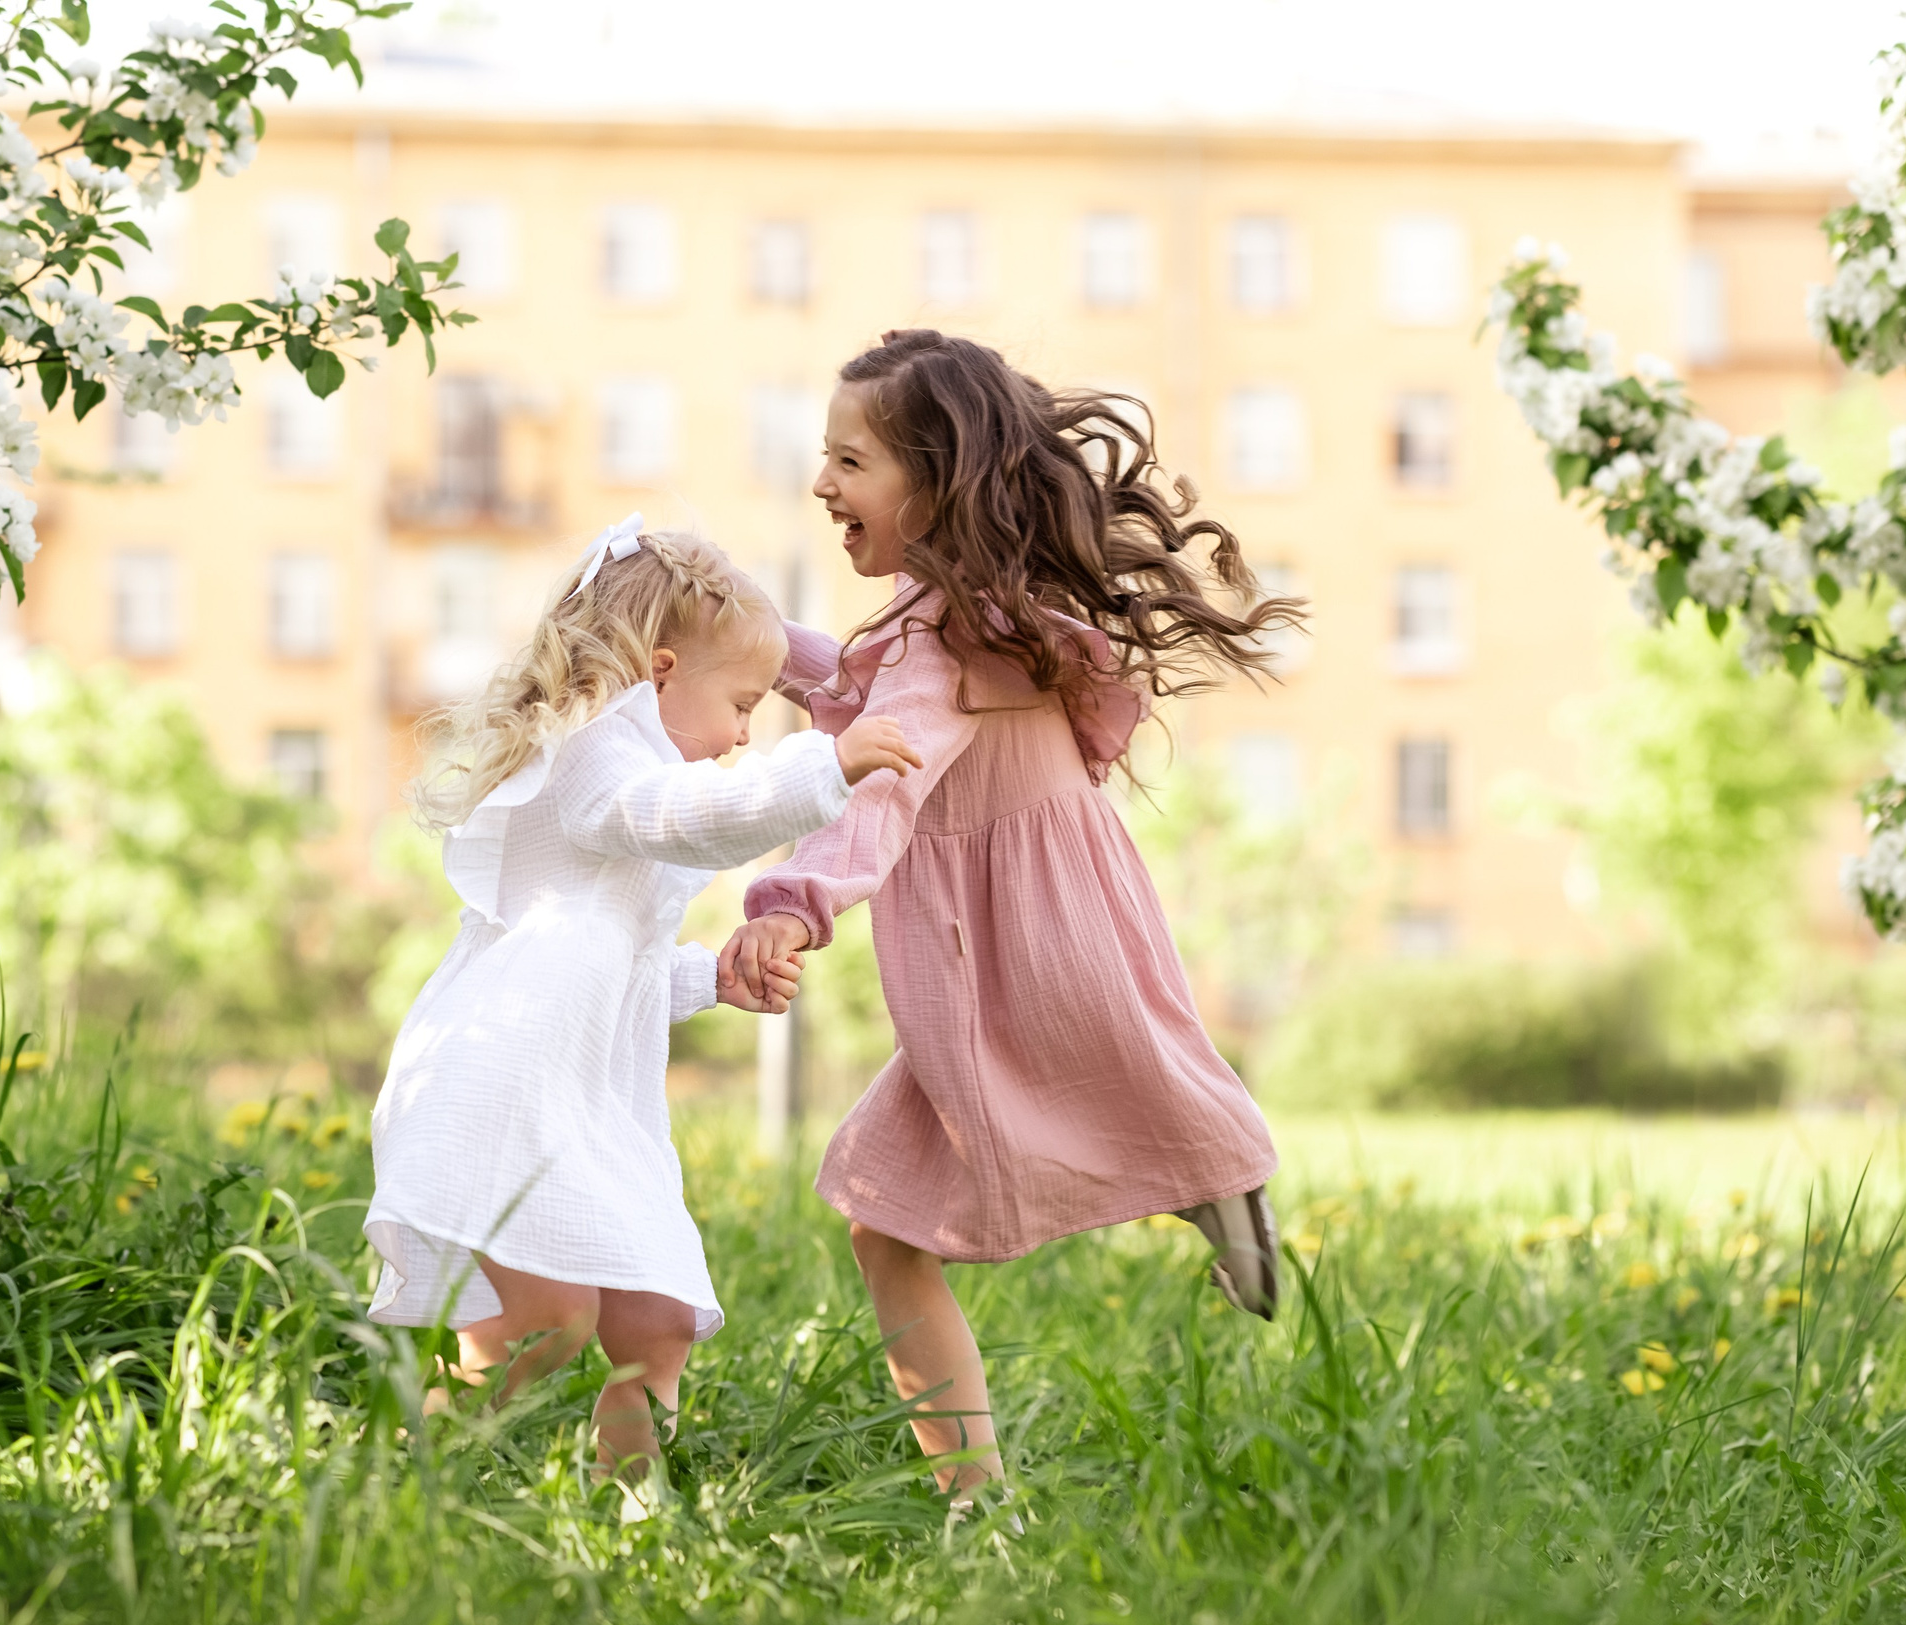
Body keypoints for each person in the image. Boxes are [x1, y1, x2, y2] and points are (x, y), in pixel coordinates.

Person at [717, 331, 1300, 1494]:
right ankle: (978, 1494)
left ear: (932, 487)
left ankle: (1213, 1169)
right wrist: (754, 637)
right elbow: (866, 689)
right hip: (1061, 922)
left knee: (896, 1218)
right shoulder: (975, 615)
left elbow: (882, 774)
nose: (821, 485)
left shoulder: (936, 636)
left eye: (848, 462)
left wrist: (791, 901)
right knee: (887, 1224)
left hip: (1009, 947)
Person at [368, 516, 921, 1481]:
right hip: (504, 1084)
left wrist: (710, 976)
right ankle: (411, 1476)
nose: (749, 730)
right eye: (743, 703)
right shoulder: (596, 762)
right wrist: (821, 767)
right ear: (660, 673)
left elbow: (607, 973)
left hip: (585, 1099)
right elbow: (681, 817)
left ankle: (632, 1514)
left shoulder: (620, 779)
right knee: (547, 1320)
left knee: (655, 1321)